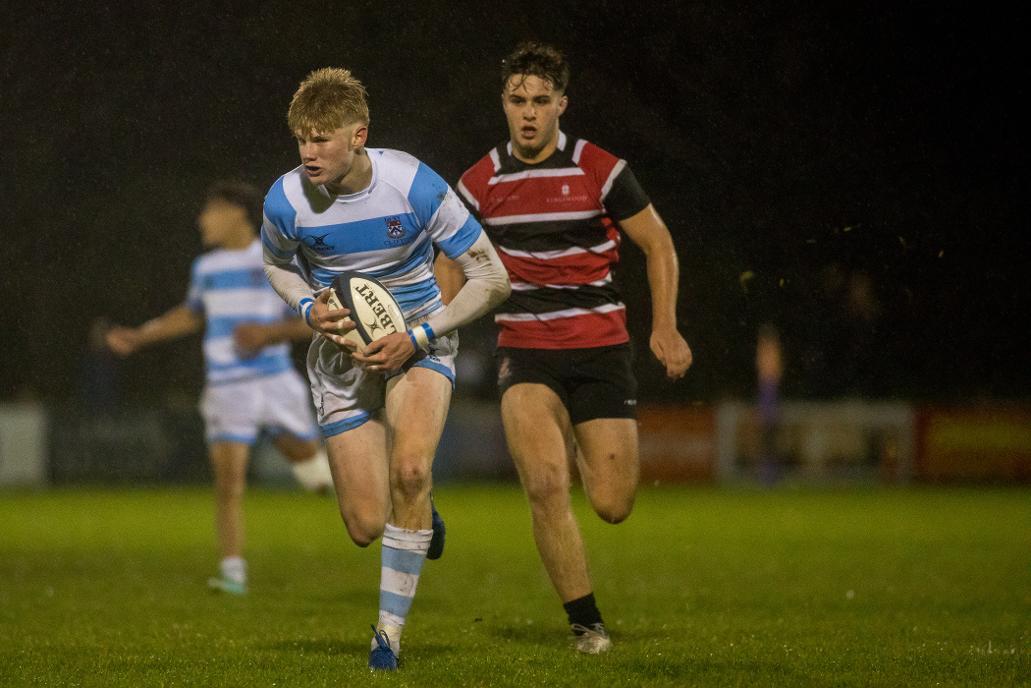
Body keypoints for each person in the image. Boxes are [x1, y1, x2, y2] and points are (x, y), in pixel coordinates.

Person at [437, 42, 693, 654]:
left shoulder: (601, 170)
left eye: (540, 101)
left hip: (601, 349)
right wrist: (440, 325)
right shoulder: (478, 182)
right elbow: (449, 255)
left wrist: (665, 325)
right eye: (517, 100)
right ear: (503, 103)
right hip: (525, 350)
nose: (528, 112)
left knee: (612, 504)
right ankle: (586, 624)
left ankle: (584, 438)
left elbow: (658, 244)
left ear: (561, 105)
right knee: (547, 485)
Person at [260, 67, 509, 670]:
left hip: (418, 344)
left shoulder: (413, 185)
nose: (309, 153)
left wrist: (418, 336)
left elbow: (493, 278)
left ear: (358, 135)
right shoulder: (285, 199)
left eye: (322, 139)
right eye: (301, 139)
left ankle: (387, 638)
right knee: (366, 524)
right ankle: (420, 508)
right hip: (341, 358)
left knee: (410, 468)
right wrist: (306, 306)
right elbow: (277, 264)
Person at [105, 180, 334, 596]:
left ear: (236, 213)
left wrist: (268, 334)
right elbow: (191, 315)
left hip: (275, 381)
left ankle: (319, 471)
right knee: (229, 483)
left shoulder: (276, 259)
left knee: (313, 471)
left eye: (209, 211)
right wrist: (139, 336)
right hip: (227, 386)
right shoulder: (206, 268)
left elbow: (314, 320)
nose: (201, 221)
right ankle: (233, 573)